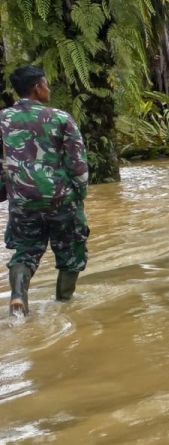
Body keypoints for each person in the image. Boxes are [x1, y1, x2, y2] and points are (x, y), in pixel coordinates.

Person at [1, 66, 90, 316]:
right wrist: (78, 196)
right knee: (72, 253)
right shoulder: (61, 118)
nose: (48, 88)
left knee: (25, 252)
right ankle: (64, 304)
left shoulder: (2, 119)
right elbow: (78, 165)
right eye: (46, 84)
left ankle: (18, 297)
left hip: (22, 201)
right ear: (37, 88)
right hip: (62, 200)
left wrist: (8, 192)